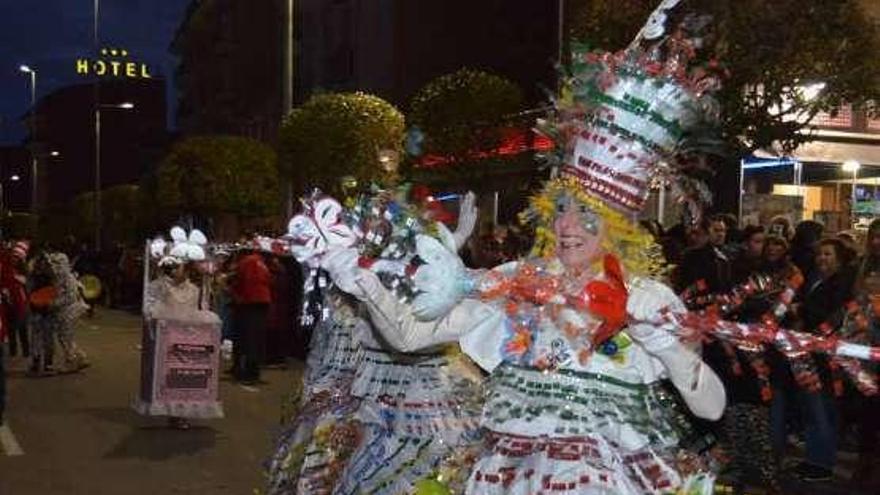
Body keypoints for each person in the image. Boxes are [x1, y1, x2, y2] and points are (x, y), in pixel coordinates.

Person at [230, 246, 272, 383]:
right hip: (262, 304)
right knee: (257, 339)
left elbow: (241, 281)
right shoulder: (262, 263)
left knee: (245, 339)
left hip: (247, 304)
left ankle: (243, 372)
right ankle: (254, 371)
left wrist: (236, 295)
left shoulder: (246, 262)